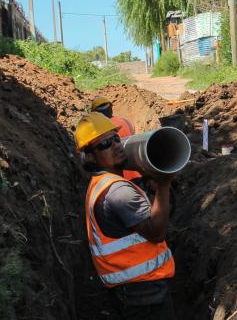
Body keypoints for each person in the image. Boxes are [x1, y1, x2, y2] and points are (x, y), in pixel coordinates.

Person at [75, 112, 176, 320]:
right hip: (143, 293)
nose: (115, 145)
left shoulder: (103, 184)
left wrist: (153, 189)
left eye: (115, 138)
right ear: (90, 156)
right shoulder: (118, 191)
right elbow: (156, 232)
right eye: (104, 144)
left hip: (132, 291)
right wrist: (164, 185)